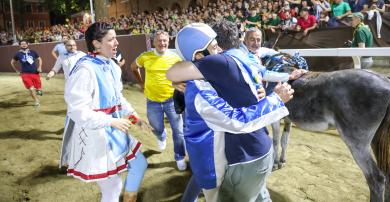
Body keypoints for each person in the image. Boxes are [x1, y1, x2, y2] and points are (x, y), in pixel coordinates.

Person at [168, 20, 295, 202]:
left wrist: (274, 100)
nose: (220, 50)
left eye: (218, 44)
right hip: (253, 151)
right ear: (198, 56)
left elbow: (237, 120)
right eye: (214, 46)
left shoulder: (214, 71)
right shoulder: (234, 60)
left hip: (244, 157)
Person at [61, 22, 150, 202]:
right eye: (111, 39)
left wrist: (135, 118)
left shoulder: (112, 66)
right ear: (96, 44)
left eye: (116, 38)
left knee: (139, 164)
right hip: (96, 136)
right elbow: (77, 110)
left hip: (114, 130)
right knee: (112, 187)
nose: (116, 42)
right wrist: (110, 121)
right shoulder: (84, 69)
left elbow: (118, 99)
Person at [130, 30, 186, 171]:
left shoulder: (175, 58)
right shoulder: (145, 56)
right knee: (157, 128)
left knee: (178, 131)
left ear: (168, 41)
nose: (162, 43)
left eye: (165, 41)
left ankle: (179, 157)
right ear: (154, 42)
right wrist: (141, 83)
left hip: (172, 100)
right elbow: (133, 67)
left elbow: (182, 73)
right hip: (152, 101)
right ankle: (161, 136)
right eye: (159, 40)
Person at [10, 40, 43, 106]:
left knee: (39, 90)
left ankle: (38, 90)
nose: (24, 45)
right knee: (31, 88)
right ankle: (36, 101)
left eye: (25, 43)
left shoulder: (33, 52)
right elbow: (12, 62)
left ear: (28, 44)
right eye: (22, 44)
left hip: (35, 73)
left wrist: (39, 67)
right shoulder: (18, 54)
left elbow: (40, 59)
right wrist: (16, 70)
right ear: (20, 45)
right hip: (25, 74)